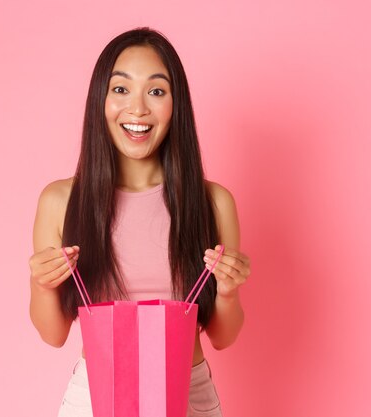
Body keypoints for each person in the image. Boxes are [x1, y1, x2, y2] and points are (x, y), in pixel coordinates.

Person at [28, 27, 251, 417]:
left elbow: (224, 335)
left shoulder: (213, 202)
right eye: (120, 89)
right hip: (96, 394)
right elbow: (53, 334)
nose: (137, 109)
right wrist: (42, 283)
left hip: (189, 393)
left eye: (156, 91)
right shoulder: (61, 201)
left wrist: (229, 292)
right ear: (100, 100)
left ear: (175, 104)